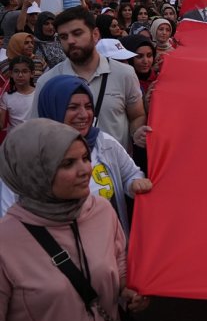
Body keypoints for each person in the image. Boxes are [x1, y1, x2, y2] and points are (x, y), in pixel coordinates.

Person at [0, 119, 148, 321]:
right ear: (33, 171)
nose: (85, 170)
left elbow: (118, 264)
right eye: (68, 163)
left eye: (85, 158)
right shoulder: (6, 241)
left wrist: (127, 290)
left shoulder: (103, 211)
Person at [35, 75, 152, 236]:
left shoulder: (104, 142)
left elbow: (131, 174)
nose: (84, 114)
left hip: (112, 250)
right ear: (53, 108)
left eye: (88, 106)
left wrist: (134, 183)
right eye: (73, 107)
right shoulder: (31, 157)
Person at [31, 7, 148, 154]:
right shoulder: (48, 81)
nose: (71, 41)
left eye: (77, 33)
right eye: (63, 37)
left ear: (95, 34)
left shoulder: (124, 73)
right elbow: (37, 130)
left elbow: (137, 115)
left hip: (115, 171)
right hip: (68, 171)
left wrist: (135, 133)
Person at [0, 55, 35, 131]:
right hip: (14, 140)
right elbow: (1, 125)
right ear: (11, 74)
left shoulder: (39, 93)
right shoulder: (7, 97)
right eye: (16, 71)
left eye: (25, 71)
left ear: (32, 73)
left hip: (35, 138)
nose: (20, 75)